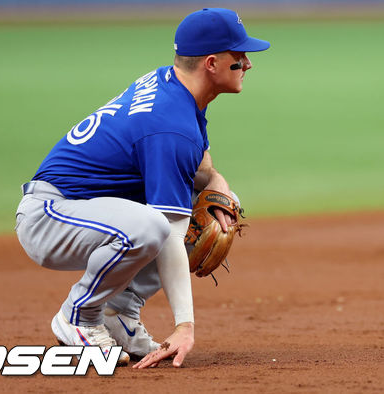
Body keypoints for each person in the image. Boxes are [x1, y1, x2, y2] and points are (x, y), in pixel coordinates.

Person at [14, 8, 270, 369]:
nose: (248, 64)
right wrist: (185, 326)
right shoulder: (169, 125)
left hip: (85, 210)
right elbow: (169, 234)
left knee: (212, 201)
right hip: (50, 218)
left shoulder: (172, 83)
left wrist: (219, 184)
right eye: (239, 57)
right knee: (155, 227)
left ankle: (119, 313)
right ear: (211, 63)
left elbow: (200, 167)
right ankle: (79, 315)